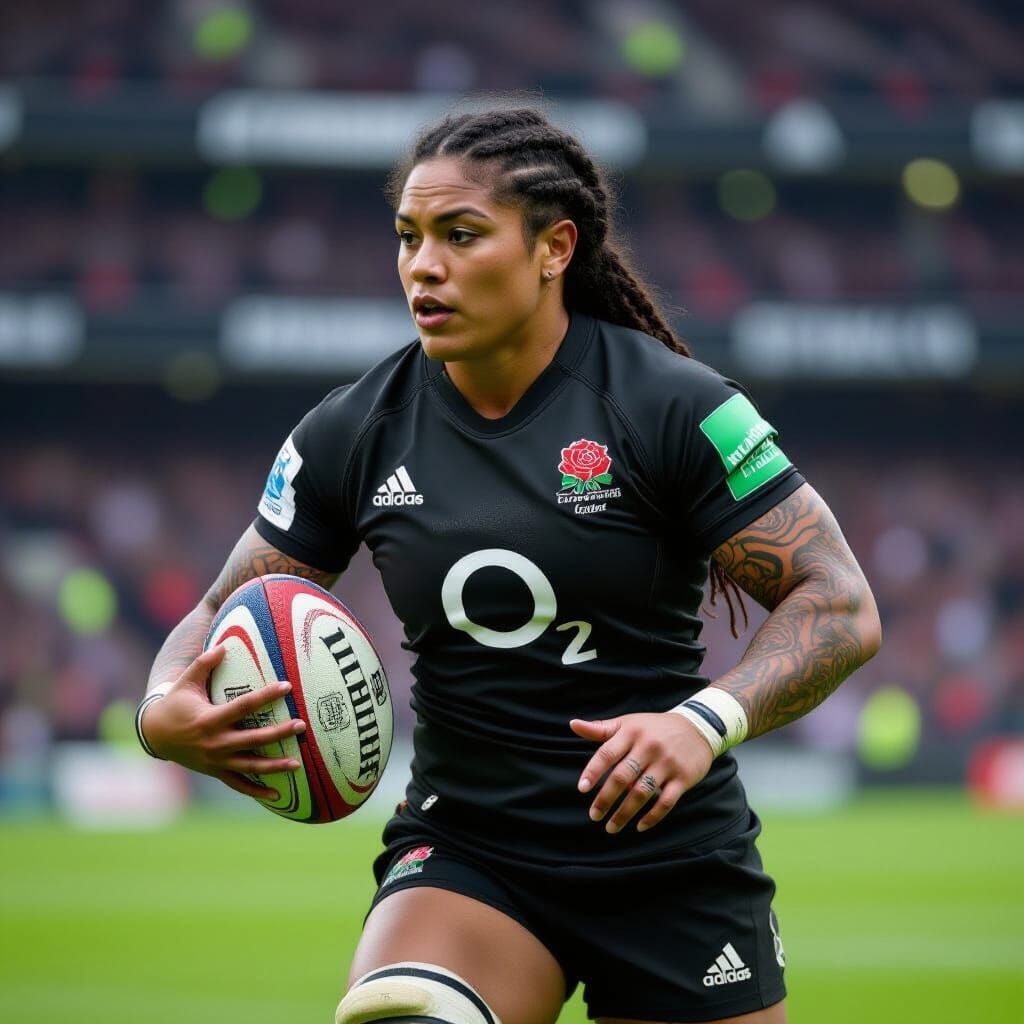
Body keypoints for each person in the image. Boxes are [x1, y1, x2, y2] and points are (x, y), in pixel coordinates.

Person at [138, 106, 881, 1024]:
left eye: (461, 235)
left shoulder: (676, 407)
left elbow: (841, 604)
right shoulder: (351, 431)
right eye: (408, 237)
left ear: (553, 248)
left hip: (668, 859)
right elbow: (221, 606)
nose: (423, 266)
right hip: (467, 851)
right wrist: (162, 704)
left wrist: (702, 721)